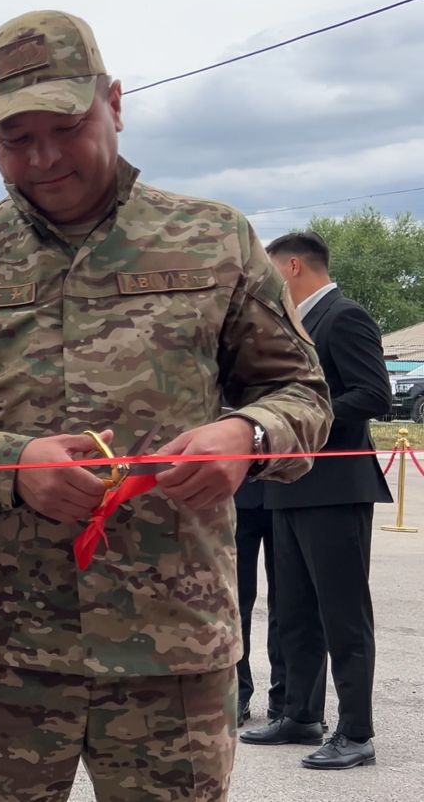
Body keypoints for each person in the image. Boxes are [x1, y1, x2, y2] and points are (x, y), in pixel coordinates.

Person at [0, 10, 332, 801]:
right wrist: (10, 466)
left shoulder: (215, 241)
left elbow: (304, 395)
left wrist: (247, 433)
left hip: (172, 651)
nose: (42, 158)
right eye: (14, 140)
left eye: (65, 126)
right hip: (0, 654)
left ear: (115, 102)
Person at [242, 231, 390, 770]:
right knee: (293, 611)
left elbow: (374, 393)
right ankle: (301, 714)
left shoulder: (343, 316)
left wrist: (296, 422)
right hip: (289, 486)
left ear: (294, 267)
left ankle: (356, 731)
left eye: (270, 270)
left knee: (343, 613)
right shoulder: (295, 326)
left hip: (335, 486)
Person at [234, 479, 283, 726]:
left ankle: (285, 696)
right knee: (235, 604)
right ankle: (235, 693)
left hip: (289, 493)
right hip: (236, 494)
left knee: (287, 603)